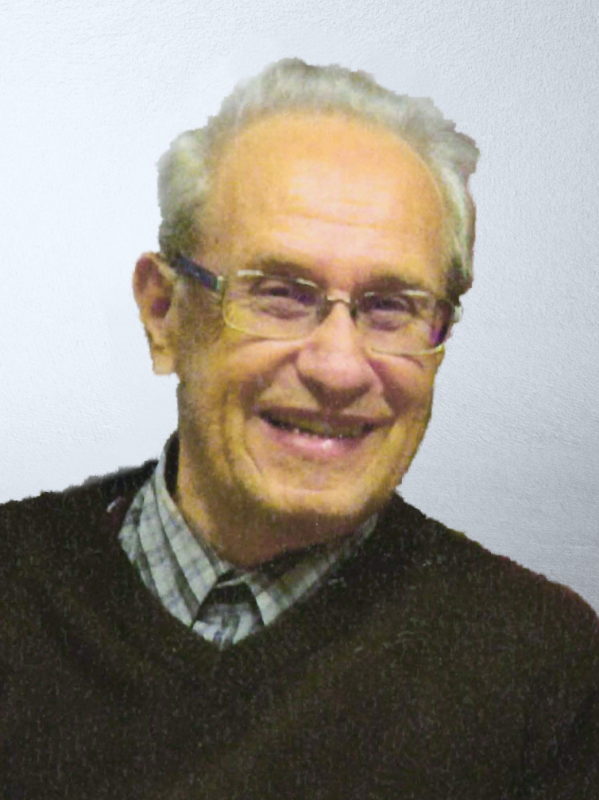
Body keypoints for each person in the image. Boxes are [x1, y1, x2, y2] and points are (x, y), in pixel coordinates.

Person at [1, 59, 597, 799]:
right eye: (280, 294)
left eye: (392, 306)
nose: (339, 368)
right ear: (164, 314)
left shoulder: (541, 669)